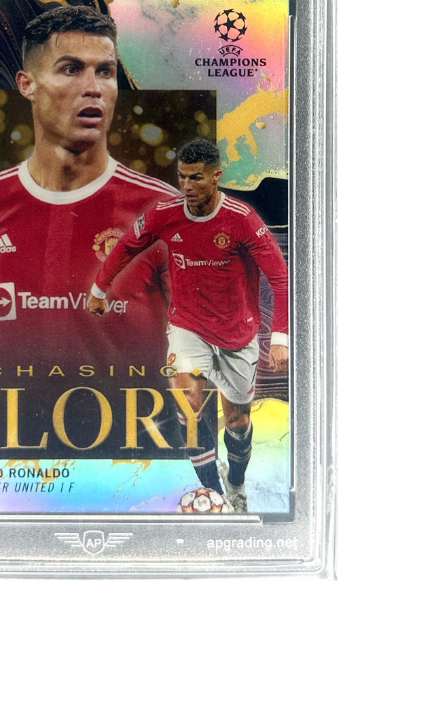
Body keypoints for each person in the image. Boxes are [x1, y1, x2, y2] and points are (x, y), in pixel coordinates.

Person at [0, 6, 178, 438]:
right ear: (27, 84)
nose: (93, 87)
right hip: (6, 467)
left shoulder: (164, 212)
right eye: (71, 69)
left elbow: (202, 354)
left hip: (133, 465)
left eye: (105, 72)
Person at [88, 138, 288, 512]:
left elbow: (279, 277)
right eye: (181, 177)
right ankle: (213, 490)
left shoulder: (242, 219)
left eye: (196, 178)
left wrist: (280, 337)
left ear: (216, 176)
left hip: (236, 334)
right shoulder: (165, 214)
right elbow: (128, 244)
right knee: (187, 400)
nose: (187, 186)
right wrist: (100, 288)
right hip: (187, 326)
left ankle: (236, 482)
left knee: (238, 421)